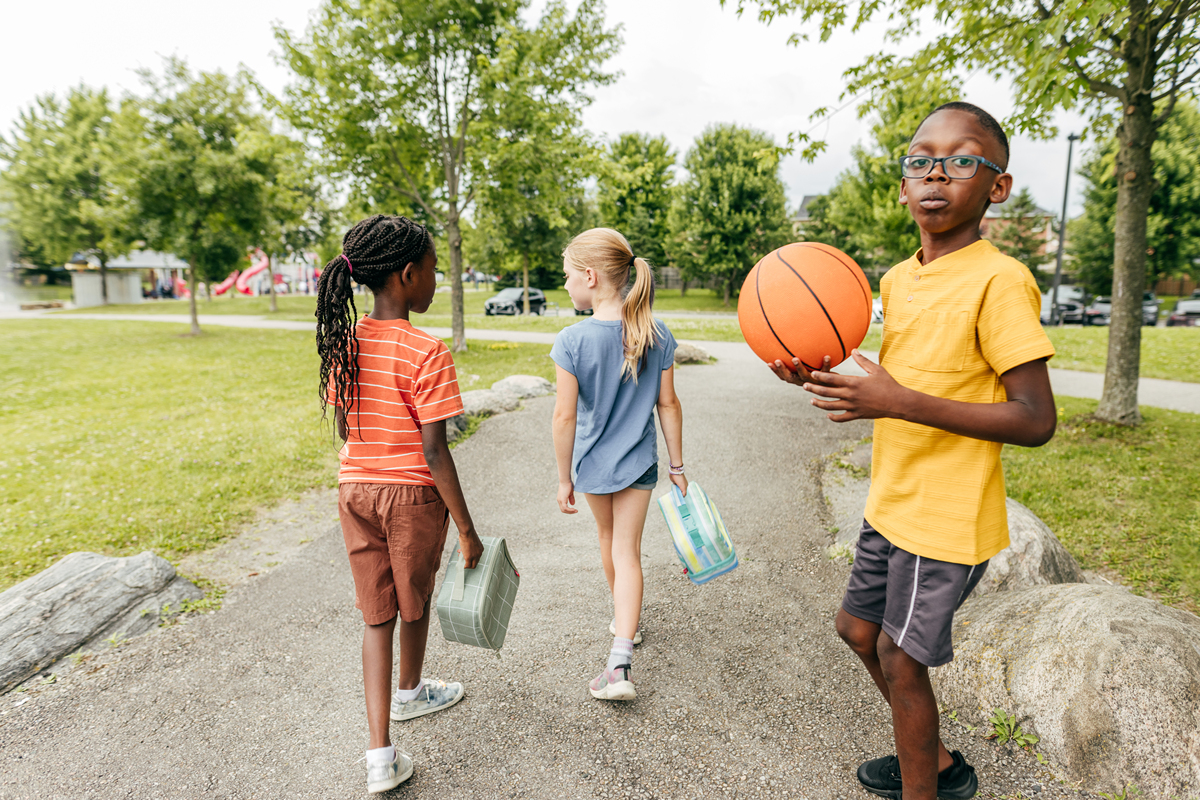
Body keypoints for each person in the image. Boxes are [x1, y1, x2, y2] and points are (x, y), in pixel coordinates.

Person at [770, 103, 1057, 800]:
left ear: (997, 187)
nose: (935, 173)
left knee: (901, 660)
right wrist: (815, 368)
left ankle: (925, 785)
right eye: (919, 159)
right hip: (894, 500)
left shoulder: (1000, 280)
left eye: (961, 160)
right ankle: (941, 762)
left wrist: (898, 403)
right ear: (902, 186)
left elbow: (1036, 419)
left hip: (948, 515)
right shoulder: (899, 279)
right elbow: (901, 378)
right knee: (856, 631)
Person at [315, 214, 484, 794]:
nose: (438, 278)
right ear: (409, 274)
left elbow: (346, 427)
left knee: (376, 613)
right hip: (411, 493)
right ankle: (411, 691)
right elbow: (435, 452)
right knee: (416, 597)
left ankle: (379, 755)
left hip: (354, 490)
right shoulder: (427, 350)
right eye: (435, 269)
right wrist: (466, 528)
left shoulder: (344, 341)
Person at [550, 228, 686, 702]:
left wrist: (564, 477)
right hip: (639, 464)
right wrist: (677, 465)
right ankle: (621, 646)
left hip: (592, 466)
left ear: (590, 277)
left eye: (567, 277)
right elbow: (668, 405)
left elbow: (565, 416)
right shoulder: (656, 330)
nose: (565, 286)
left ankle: (622, 633)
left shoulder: (572, 339)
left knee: (609, 543)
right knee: (628, 552)